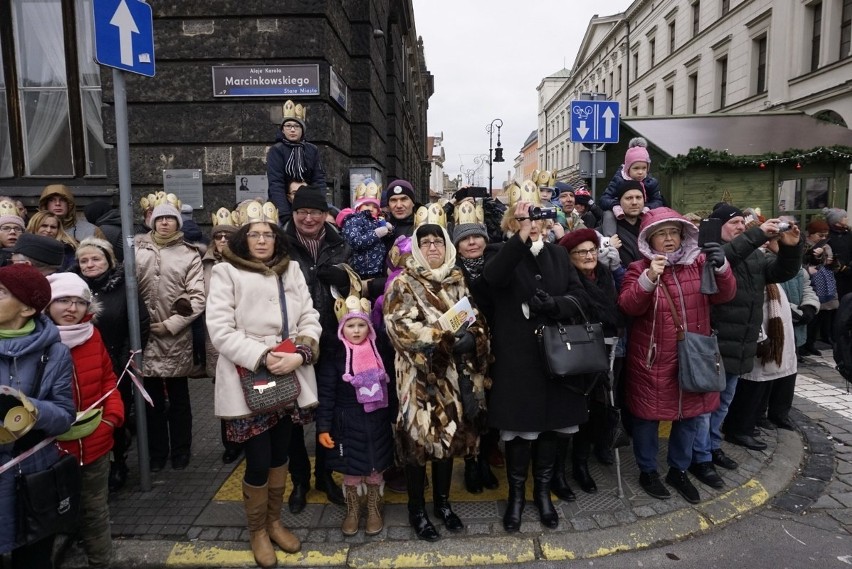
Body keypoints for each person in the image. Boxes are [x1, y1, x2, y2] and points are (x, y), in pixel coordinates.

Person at [206, 200, 319, 567]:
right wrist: (262, 356)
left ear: (277, 238)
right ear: (243, 238)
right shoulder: (226, 272)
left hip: (289, 371)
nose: (261, 240)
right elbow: (220, 331)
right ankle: (257, 530)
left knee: (282, 452)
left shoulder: (293, 270)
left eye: (267, 234)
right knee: (257, 459)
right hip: (249, 376)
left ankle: (274, 521)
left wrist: (301, 353)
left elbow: (310, 316)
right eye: (254, 234)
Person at [482, 180, 593, 532]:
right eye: (527, 219)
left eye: (540, 219)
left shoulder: (559, 253)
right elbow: (493, 278)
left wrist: (556, 305)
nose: (536, 225)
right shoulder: (499, 252)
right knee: (520, 430)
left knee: (550, 430)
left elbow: (580, 298)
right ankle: (516, 496)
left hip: (557, 357)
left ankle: (543, 493)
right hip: (518, 359)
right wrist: (520, 238)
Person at [383, 214, 490, 541]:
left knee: (448, 441)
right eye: (426, 242)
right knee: (419, 444)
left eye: (438, 242)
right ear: (416, 247)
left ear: (446, 247)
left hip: (455, 378)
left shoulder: (457, 279)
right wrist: (443, 339)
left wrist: (475, 337)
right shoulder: (403, 283)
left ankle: (443, 504)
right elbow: (398, 327)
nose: (432, 247)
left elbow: (475, 318)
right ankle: (417, 509)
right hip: (421, 380)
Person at [618, 208, 735, 503]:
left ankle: (679, 471)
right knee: (648, 418)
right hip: (653, 359)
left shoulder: (697, 264)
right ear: (649, 239)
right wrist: (648, 279)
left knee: (689, 416)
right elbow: (628, 306)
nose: (669, 239)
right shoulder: (637, 268)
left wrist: (721, 268)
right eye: (661, 234)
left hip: (694, 355)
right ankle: (648, 470)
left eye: (674, 232)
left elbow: (725, 295)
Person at [691, 204, 802, 478]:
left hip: (741, 344)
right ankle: (700, 456)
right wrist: (757, 235)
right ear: (718, 226)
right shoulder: (708, 249)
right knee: (706, 407)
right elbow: (724, 260)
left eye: (744, 222)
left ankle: (713, 447)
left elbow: (781, 273)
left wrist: (790, 248)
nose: (741, 226)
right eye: (735, 222)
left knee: (724, 403)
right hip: (714, 343)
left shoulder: (753, 255)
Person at [47, 273, 124, 568]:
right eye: (64, 300)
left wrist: (111, 419)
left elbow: (108, 380)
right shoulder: (37, 342)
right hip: (52, 451)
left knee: (95, 511)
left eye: (80, 302)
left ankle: (101, 562)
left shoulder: (93, 335)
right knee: (50, 514)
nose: (72, 308)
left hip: (95, 441)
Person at [0, 264, 75, 567]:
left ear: (28, 308)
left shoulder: (55, 353)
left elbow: (64, 415)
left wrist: (28, 407)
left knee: (33, 559)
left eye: (2, 293)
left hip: (31, 476)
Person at [282, 186, 350, 511]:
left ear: (325, 214)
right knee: (295, 416)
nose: (308, 218)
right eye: (302, 212)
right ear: (294, 214)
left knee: (330, 412)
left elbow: (354, 286)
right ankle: (299, 480)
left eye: (315, 212)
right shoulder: (281, 245)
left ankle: (325, 474)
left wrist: (344, 278)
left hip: (334, 341)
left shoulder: (339, 244)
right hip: (296, 344)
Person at [135, 198, 205, 472]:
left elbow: (197, 297)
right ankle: (156, 453)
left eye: (170, 218)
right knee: (150, 400)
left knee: (178, 398)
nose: (165, 222)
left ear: (178, 222)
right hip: (144, 335)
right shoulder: (137, 251)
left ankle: (181, 450)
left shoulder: (189, 254)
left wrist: (172, 324)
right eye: (160, 218)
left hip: (175, 336)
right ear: (152, 222)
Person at [75, 237, 150, 492]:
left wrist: (127, 358)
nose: (89, 264)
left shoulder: (125, 287)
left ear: (108, 260)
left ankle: (118, 462)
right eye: (83, 260)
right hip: (78, 365)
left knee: (114, 415)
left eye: (95, 259)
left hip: (116, 364)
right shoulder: (73, 288)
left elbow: (139, 323)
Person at [317, 291, 393, 537]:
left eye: (362, 325)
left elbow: (390, 388)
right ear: (342, 329)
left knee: (374, 466)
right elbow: (327, 394)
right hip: (346, 422)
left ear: (369, 328)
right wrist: (323, 427)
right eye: (351, 326)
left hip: (377, 420)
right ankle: (353, 508)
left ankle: (373, 506)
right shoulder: (335, 357)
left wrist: (394, 417)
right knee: (351, 469)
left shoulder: (379, 354)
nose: (357, 330)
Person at [558, 228, 625, 494]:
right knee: (573, 412)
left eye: (592, 250)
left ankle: (581, 463)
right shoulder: (566, 280)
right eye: (581, 252)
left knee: (596, 409)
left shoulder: (606, 276)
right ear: (570, 256)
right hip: (576, 353)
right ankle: (559, 469)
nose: (589, 256)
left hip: (605, 351)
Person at [452, 201, 499, 495]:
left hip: (500, 346)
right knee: (471, 408)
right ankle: (472, 462)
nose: (472, 242)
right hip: (469, 351)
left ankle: (487, 458)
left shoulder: (497, 265)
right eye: (465, 238)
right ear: (456, 245)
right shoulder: (453, 274)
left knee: (495, 405)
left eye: (476, 237)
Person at [203, 209, 243, 464]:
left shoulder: (243, 262)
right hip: (216, 336)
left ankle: (248, 438)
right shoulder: (205, 263)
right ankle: (230, 443)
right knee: (226, 392)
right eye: (219, 237)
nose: (224, 241)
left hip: (242, 334)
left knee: (250, 389)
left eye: (229, 236)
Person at [267, 100, 327, 224]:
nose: (292, 130)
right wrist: (284, 213)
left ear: (302, 130)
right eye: (288, 126)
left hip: (309, 200)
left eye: (297, 126)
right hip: (284, 201)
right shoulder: (276, 150)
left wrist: (319, 204)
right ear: (283, 130)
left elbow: (318, 179)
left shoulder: (312, 149)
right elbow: (276, 183)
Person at [336, 185, 392, 280]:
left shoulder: (377, 221)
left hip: (378, 269)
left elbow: (385, 240)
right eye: (367, 205)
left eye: (375, 207)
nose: (370, 208)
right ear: (358, 206)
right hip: (362, 271)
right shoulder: (353, 220)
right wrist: (375, 234)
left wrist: (390, 230)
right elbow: (355, 242)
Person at [598, 137, 664, 213]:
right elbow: (604, 199)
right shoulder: (619, 180)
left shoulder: (650, 182)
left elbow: (658, 201)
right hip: (622, 214)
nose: (640, 172)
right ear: (627, 168)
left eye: (644, 168)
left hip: (645, 213)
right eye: (636, 168)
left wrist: (647, 207)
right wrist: (616, 205)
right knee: (608, 215)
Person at [803, 217, 838, 355]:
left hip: (825, 283)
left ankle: (811, 343)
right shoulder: (805, 246)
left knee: (822, 315)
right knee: (810, 316)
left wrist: (832, 262)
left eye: (825, 235)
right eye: (820, 235)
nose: (822, 238)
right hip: (811, 284)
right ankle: (803, 345)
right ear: (811, 234)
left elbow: (835, 267)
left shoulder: (826, 246)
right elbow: (802, 263)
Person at [602, 180, 647, 269]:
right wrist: (607, 247)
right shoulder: (605, 231)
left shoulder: (650, 228)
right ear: (619, 201)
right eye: (628, 198)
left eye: (638, 197)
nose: (634, 202)